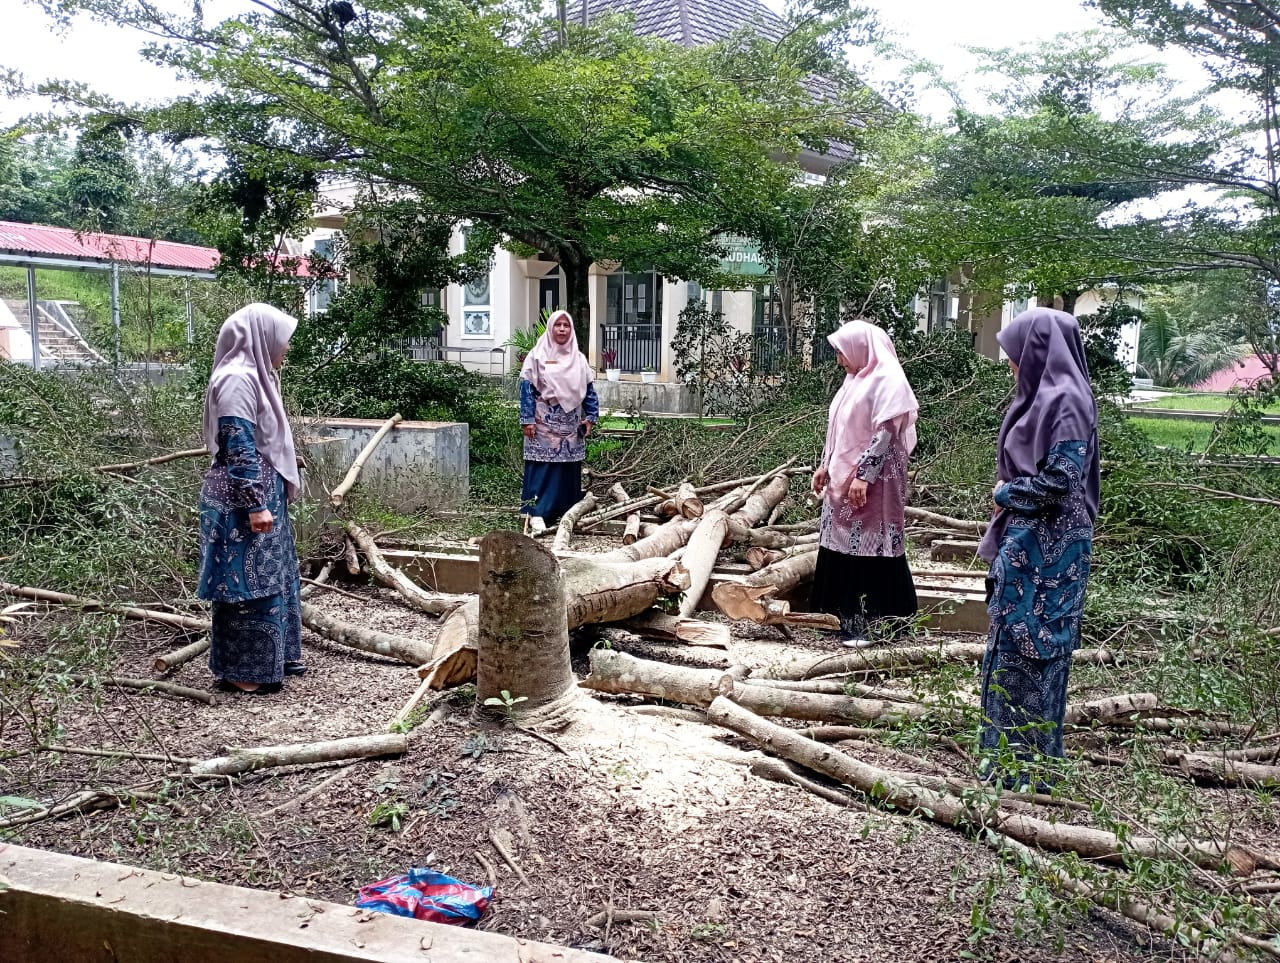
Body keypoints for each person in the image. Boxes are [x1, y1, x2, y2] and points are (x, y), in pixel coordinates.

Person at [976, 307, 1100, 791]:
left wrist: (1005, 494)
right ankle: (1008, 762)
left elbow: (1062, 480)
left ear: (1038, 351)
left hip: (1052, 552)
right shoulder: (1040, 398)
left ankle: (1029, 769)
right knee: (1011, 646)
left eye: (1015, 354)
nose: (1010, 363)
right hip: (1028, 543)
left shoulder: (1066, 400)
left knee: (1038, 648)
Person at [197, 303, 304, 695]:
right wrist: (255, 503)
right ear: (260, 336)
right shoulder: (237, 379)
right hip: (243, 500)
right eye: (283, 339)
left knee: (272, 576)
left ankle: (273, 660)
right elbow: (237, 443)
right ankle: (245, 673)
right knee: (245, 583)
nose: (286, 348)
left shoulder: (257, 377)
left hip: (260, 494)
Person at [810, 319, 920, 647]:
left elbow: (885, 433)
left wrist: (863, 475)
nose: (839, 360)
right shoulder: (854, 381)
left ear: (861, 347)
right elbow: (840, 430)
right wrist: (825, 464)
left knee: (873, 545)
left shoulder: (888, 379)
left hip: (876, 482)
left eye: (842, 352)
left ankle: (876, 624)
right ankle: (838, 616)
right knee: (841, 544)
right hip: (844, 478)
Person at [519, 310, 599, 533]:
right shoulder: (536, 356)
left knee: (567, 470)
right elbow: (527, 389)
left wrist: (591, 417)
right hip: (542, 424)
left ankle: (565, 511)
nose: (562, 329)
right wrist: (527, 420)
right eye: (558, 325)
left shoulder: (579, 359)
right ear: (551, 328)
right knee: (541, 468)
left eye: (566, 325)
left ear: (571, 329)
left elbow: (589, 391)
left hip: (570, 425)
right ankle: (534, 512)